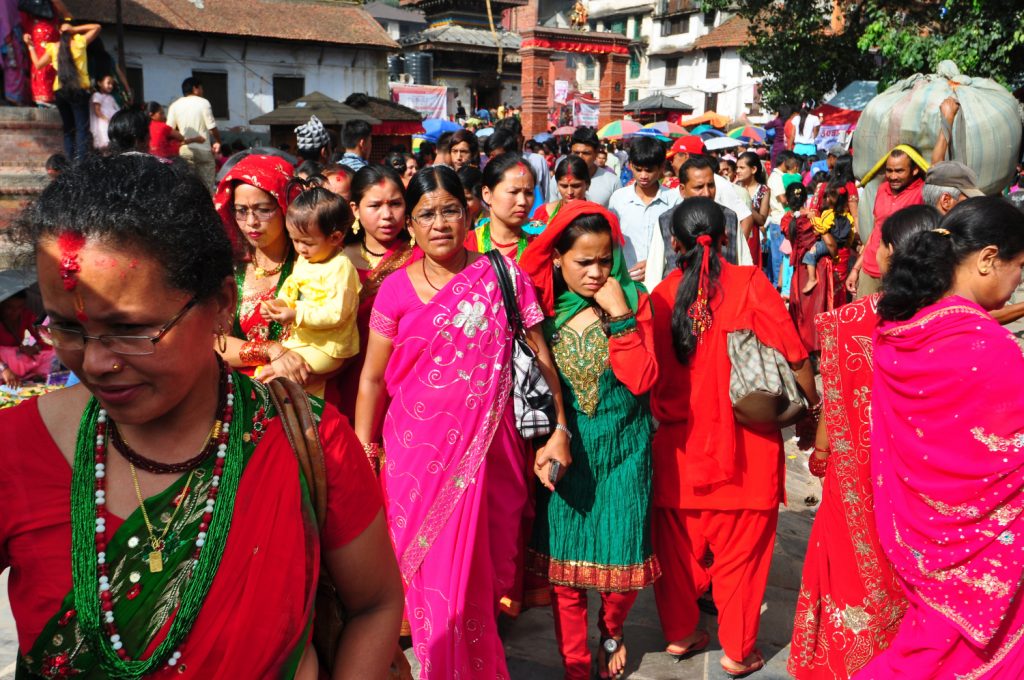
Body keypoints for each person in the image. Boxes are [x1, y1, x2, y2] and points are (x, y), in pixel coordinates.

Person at [1, 152, 403, 678]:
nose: (97, 362)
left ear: (219, 305)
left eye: (132, 329)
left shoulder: (308, 440)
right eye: (68, 330)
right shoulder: (14, 449)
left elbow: (374, 605)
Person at [354, 165, 570, 678]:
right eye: (426, 213)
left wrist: (557, 429)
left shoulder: (503, 275)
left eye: (450, 209)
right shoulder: (395, 290)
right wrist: (365, 449)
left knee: (478, 576)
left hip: (491, 456)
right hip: (414, 459)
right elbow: (371, 380)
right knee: (430, 580)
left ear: (469, 210)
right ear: (410, 224)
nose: (439, 223)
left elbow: (540, 359)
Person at [648, 197, 819, 678]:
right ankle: (739, 651)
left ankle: (682, 634)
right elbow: (797, 357)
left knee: (678, 553)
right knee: (742, 558)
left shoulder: (660, 296)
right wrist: (811, 410)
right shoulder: (750, 284)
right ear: (727, 239)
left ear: (675, 244)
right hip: (745, 451)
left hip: (678, 456)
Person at [861, 197, 1024, 678]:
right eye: (1019, 268)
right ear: (988, 259)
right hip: (984, 545)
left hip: (921, 534)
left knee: (927, 648)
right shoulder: (988, 348)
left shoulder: (902, 330)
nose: (1018, 282)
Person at [788, 204, 939, 680]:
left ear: (890, 253)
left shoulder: (848, 321)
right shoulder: (947, 321)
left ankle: (840, 664)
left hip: (854, 478)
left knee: (848, 573)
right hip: (922, 483)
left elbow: (835, 399)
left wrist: (824, 451)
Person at [519, 201, 660, 680]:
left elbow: (642, 380)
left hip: (626, 450)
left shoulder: (636, 299)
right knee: (567, 573)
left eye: (605, 260)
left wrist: (620, 316)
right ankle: (576, 666)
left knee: (622, 566)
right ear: (557, 257)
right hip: (568, 449)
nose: (597, 272)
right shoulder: (540, 311)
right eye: (584, 262)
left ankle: (613, 630)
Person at [328, 164, 414, 419]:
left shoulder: (421, 260)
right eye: (375, 206)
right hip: (343, 379)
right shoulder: (333, 261)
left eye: (396, 204)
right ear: (355, 209)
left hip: (402, 385)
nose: (387, 215)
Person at [213, 154, 308, 384]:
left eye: (263, 209)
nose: (251, 222)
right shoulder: (230, 268)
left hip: (309, 389)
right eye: (241, 210)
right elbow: (215, 341)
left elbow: (339, 340)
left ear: (286, 206)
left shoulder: (313, 264)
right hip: (241, 397)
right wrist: (270, 350)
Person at [260, 184, 360, 398]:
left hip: (329, 348)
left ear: (334, 238)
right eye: (295, 240)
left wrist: (297, 314)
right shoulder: (308, 258)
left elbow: (336, 313)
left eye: (306, 242)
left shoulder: (341, 267)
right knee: (278, 370)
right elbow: (293, 285)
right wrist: (280, 303)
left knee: (278, 374)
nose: (300, 249)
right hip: (303, 340)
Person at [647, 155, 745, 290]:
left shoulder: (729, 217)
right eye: (699, 187)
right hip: (679, 304)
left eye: (710, 185)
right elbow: (654, 278)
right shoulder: (666, 220)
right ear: (682, 190)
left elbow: (744, 266)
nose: (706, 193)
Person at [845, 147, 925, 298]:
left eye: (899, 171)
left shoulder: (922, 192)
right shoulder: (882, 189)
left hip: (899, 275)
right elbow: (876, 230)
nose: (893, 176)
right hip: (869, 270)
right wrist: (856, 269)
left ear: (914, 170)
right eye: (889, 170)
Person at [608, 136, 681, 283]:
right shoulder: (618, 199)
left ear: (661, 168)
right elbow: (612, 241)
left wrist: (654, 264)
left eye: (649, 170)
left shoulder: (674, 200)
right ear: (630, 165)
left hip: (664, 280)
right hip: (628, 280)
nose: (643, 176)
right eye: (638, 169)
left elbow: (679, 244)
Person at [24, 22, 100, 160]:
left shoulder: (54, 47)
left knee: (68, 130)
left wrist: (30, 46)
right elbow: (97, 27)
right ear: (71, 33)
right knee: (81, 128)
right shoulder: (80, 43)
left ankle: (70, 162)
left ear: (59, 33)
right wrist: (74, 29)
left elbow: (38, 64)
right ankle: (81, 163)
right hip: (79, 89)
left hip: (60, 91)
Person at [468, 152, 536, 262]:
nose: (522, 201)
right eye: (513, 192)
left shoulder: (538, 248)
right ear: (487, 194)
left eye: (529, 193)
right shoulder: (466, 245)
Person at [166, 77, 222, 190]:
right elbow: (212, 127)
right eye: (201, 88)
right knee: (207, 188)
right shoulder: (203, 103)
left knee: (187, 186)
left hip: (185, 150)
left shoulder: (174, 105)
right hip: (204, 151)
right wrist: (218, 141)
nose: (202, 91)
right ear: (195, 88)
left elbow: (169, 131)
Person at [801, 181, 854, 294]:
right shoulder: (848, 217)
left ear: (829, 199)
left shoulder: (828, 214)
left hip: (827, 244)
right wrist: (848, 244)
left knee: (810, 254)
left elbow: (822, 228)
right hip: (841, 246)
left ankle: (811, 279)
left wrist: (813, 218)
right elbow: (851, 235)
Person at [0, 290, 55, 388]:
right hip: (3, 362)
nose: (15, 312)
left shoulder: (26, 315)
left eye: (20, 307)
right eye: (9, 307)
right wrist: (4, 369)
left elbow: (43, 338)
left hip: (19, 358)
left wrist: (36, 348)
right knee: (7, 352)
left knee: (52, 352)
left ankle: (35, 376)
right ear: (2, 304)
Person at [561, 127, 620, 207]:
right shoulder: (560, 180)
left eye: (586, 153)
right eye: (576, 153)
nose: (580, 157)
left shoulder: (612, 182)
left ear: (596, 153)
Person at [532, 154, 590, 226]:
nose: (570, 192)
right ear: (557, 185)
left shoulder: (595, 216)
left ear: (587, 184)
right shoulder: (543, 213)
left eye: (576, 186)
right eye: (564, 186)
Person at [734, 151, 769, 268]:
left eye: (742, 167)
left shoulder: (763, 190)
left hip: (751, 237)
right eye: (737, 167)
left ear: (753, 169)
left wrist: (747, 205)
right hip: (734, 233)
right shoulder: (733, 187)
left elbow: (762, 220)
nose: (737, 171)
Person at [88, 73, 119, 150]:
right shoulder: (97, 95)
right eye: (108, 83)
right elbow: (97, 111)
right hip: (103, 125)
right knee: (105, 145)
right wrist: (106, 120)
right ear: (99, 83)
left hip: (112, 124)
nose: (111, 86)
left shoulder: (111, 97)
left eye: (112, 84)